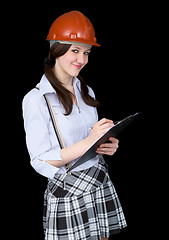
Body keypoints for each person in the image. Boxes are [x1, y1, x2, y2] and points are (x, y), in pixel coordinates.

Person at [22, 11, 127, 240]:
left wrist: (106, 145)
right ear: (56, 50)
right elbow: (39, 160)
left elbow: (91, 143)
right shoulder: (37, 99)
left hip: (98, 181)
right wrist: (89, 140)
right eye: (75, 50)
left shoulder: (86, 91)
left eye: (86, 52)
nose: (82, 60)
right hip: (69, 192)